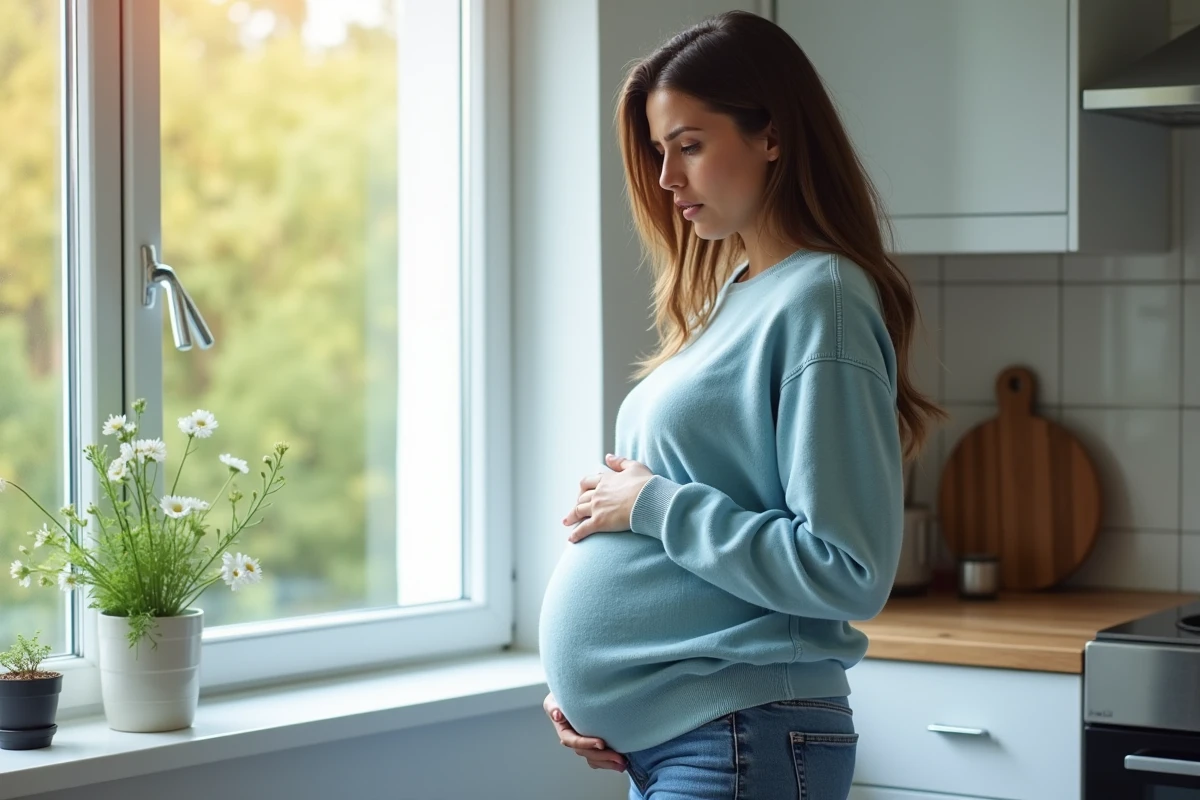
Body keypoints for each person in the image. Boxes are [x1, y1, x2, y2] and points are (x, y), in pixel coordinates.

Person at [537, 10, 945, 799]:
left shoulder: (822, 299)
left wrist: (653, 504)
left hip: (740, 737)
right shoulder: (734, 296)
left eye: (689, 145)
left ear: (772, 137)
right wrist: (594, 692)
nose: (666, 180)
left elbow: (849, 570)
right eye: (659, 153)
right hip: (684, 741)